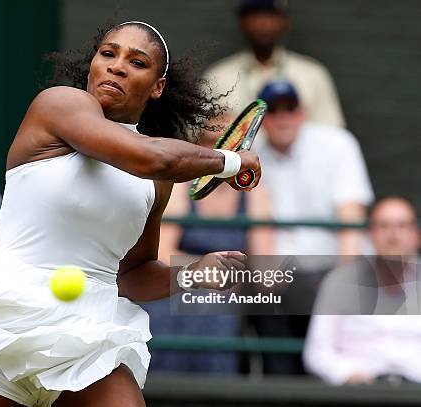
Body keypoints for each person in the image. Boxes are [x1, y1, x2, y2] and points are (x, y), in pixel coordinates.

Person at [0, 21, 261, 407]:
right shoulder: (59, 105)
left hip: (88, 342)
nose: (116, 66)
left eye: (136, 62)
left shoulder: (157, 182)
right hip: (0, 327)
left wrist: (190, 275)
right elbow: (153, 157)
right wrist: (230, 161)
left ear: (157, 86)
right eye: (108, 53)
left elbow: (131, 274)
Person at [250, 79, 374, 375]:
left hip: (335, 267)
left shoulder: (337, 144)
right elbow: (260, 225)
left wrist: (340, 281)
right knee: (261, 303)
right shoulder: (251, 156)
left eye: (289, 109)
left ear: (302, 113)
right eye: (273, 110)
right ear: (261, 120)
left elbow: (351, 222)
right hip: (286, 273)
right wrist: (266, 278)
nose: (282, 117)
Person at [142, 137, 273, 374]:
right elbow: (162, 253)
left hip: (228, 289)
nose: (221, 150)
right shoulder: (179, 186)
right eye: (211, 142)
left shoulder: (256, 194)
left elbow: (264, 270)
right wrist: (202, 273)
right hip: (180, 283)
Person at [304, 197, 421, 384]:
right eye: (384, 226)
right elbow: (318, 352)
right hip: (357, 397)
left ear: (417, 236)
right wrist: (349, 375)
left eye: (402, 226)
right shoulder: (339, 282)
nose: (393, 235)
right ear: (369, 233)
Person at [203, 0, 345, 127]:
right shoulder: (217, 76)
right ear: (242, 22)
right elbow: (197, 138)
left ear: (284, 22)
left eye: (270, 15)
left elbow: (334, 136)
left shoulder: (313, 75)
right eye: (255, 15)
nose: (262, 23)